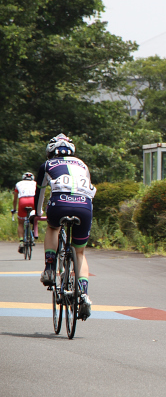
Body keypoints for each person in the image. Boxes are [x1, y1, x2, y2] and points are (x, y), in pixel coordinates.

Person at [34, 134, 96, 320]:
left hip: (59, 203)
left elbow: (40, 193)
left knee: (53, 228)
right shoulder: (83, 165)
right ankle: (83, 293)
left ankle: (50, 268)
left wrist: (37, 214)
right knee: (79, 253)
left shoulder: (47, 165)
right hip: (84, 206)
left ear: (50, 152)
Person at [12, 172, 37, 253]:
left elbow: (15, 199)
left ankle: (21, 241)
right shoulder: (35, 183)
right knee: (36, 217)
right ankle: (34, 234)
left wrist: (14, 209)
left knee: (20, 223)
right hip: (33, 201)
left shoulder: (18, 184)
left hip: (22, 201)